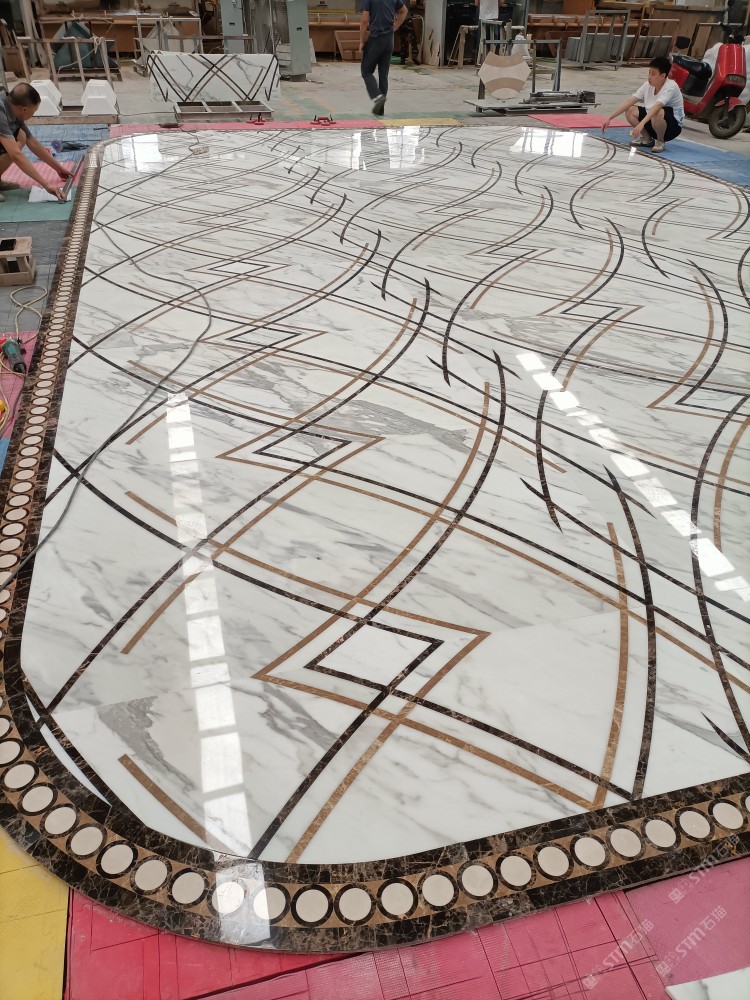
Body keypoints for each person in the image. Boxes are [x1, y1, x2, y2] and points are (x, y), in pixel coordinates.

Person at [0, 83, 72, 202]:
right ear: (24, 109)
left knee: (21, 136)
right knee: (12, 148)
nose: (33, 115)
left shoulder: (13, 108)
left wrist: (58, 168)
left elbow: (32, 142)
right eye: (33, 112)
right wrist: (46, 185)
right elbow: (16, 155)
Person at [601, 56, 684, 153]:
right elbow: (630, 101)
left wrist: (641, 124)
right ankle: (647, 139)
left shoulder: (671, 86)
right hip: (653, 122)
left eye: (653, 74)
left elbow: (657, 106)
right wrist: (609, 118)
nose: (649, 77)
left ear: (663, 76)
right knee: (630, 110)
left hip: (672, 128)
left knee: (657, 112)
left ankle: (660, 141)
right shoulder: (647, 85)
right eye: (649, 73)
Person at [359, 0, 408, 117]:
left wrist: (361, 41)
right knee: (383, 73)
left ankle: (377, 97)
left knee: (366, 71)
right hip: (389, 40)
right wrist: (394, 27)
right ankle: (380, 110)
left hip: (376, 38)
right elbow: (404, 11)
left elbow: (364, 20)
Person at [399, 0, 420, 65]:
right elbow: (413, 3)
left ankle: (402, 58)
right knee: (413, 36)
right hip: (407, 18)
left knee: (403, 38)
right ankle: (414, 55)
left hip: (400, 19)